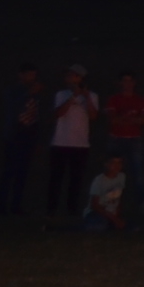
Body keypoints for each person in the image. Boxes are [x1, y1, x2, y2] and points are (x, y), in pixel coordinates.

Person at [44, 65, 99, 217]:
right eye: (67, 76)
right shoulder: (61, 94)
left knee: (76, 178)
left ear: (80, 78)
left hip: (80, 144)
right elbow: (59, 113)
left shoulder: (92, 96)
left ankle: (72, 207)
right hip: (60, 142)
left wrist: (85, 96)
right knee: (56, 177)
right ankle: (52, 207)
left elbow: (93, 116)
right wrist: (72, 97)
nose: (68, 79)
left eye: (72, 76)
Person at [0, 64, 44, 215]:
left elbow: (35, 116)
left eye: (34, 75)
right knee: (8, 172)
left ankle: (16, 205)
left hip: (28, 136)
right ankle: (1, 206)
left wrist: (36, 139)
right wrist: (28, 93)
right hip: (14, 135)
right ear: (21, 75)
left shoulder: (36, 94)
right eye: (29, 75)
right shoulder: (13, 91)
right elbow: (13, 108)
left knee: (22, 173)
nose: (32, 78)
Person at [101, 72, 144, 210]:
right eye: (124, 81)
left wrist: (124, 119)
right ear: (120, 83)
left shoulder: (141, 100)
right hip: (116, 138)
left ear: (134, 83)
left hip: (134, 139)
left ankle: (141, 203)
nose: (127, 84)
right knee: (112, 171)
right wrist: (133, 119)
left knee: (137, 172)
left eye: (130, 81)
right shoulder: (114, 99)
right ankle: (108, 201)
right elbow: (112, 120)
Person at [82, 155, 128, 232]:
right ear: (106, 164)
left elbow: (119, 198)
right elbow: (95, 205)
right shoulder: (99, 181)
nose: (117, 166)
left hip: (112, 211)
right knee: (100, 225)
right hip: (97, 212)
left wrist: (117, 214)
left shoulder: (121, 177)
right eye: (113, 163)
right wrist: (114, 218)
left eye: (119, 163)